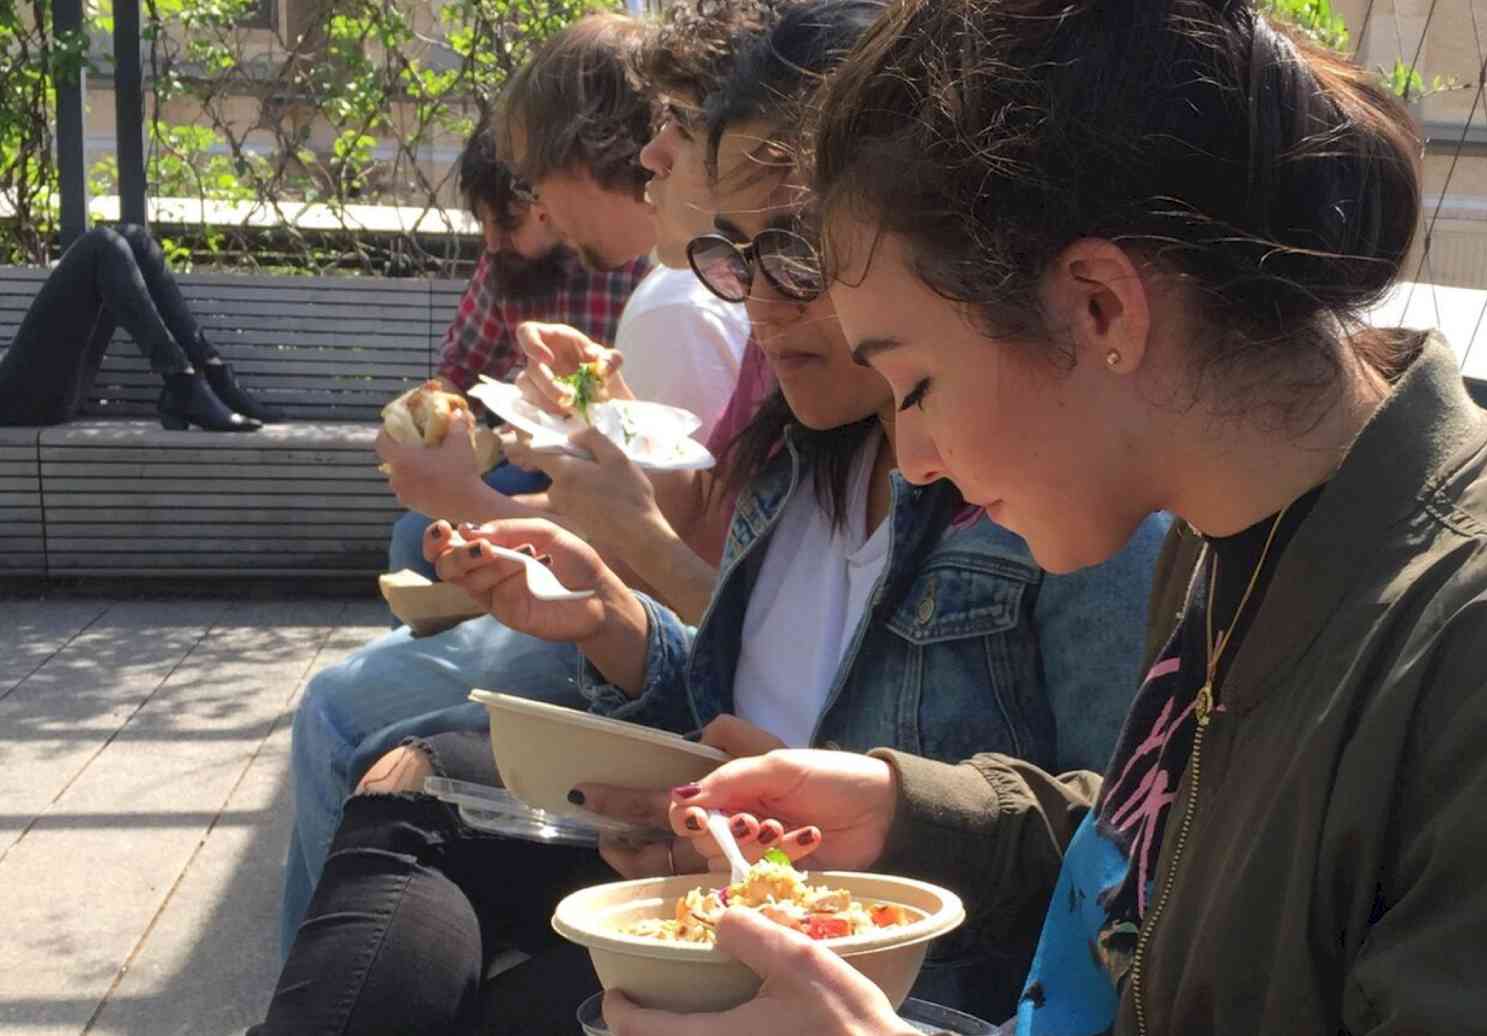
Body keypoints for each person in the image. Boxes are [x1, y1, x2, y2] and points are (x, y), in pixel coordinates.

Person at [611, 2, 1487, 1035]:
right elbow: (1190, 848)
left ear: (1099, 304)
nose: (914, 460)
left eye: (913, 381)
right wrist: (910, 814)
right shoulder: (1243, 538)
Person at [248, 4, 1169, 1031]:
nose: (758, 305)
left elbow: (1122, 861)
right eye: (732, 255)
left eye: (798, 252)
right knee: (407, 772)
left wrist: (848, 824)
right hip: (727, 879)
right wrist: (614, 625)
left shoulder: (1063, 488)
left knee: (375, 751)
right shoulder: (791, 457)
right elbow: (743, 705)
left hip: (881, 974)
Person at [273, 5, 765, 952]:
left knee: (343, 713)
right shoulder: (687, 294)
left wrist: (465, 498)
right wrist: (596, 404)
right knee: (412, 565)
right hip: (671, 650)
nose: (651, 156)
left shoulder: (682, 297)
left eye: (676, 131)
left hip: (683, 678)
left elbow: (700, 578)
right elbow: (704, 514)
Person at [380, 122, 653, 579]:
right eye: (484, 222)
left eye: (505, 222)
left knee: (422, 539)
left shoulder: (632, 264)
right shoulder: (504, 265)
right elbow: (458, 370)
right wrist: (420, 425)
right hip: (523, 468)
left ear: (544, 202)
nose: (491, 241)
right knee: (414, 539)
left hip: (621, 474)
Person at [0, 223, 278, 430]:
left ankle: (211, 373)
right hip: (17, 403)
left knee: (135, 239)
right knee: (101, 245)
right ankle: (182, 381)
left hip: (32, 389)